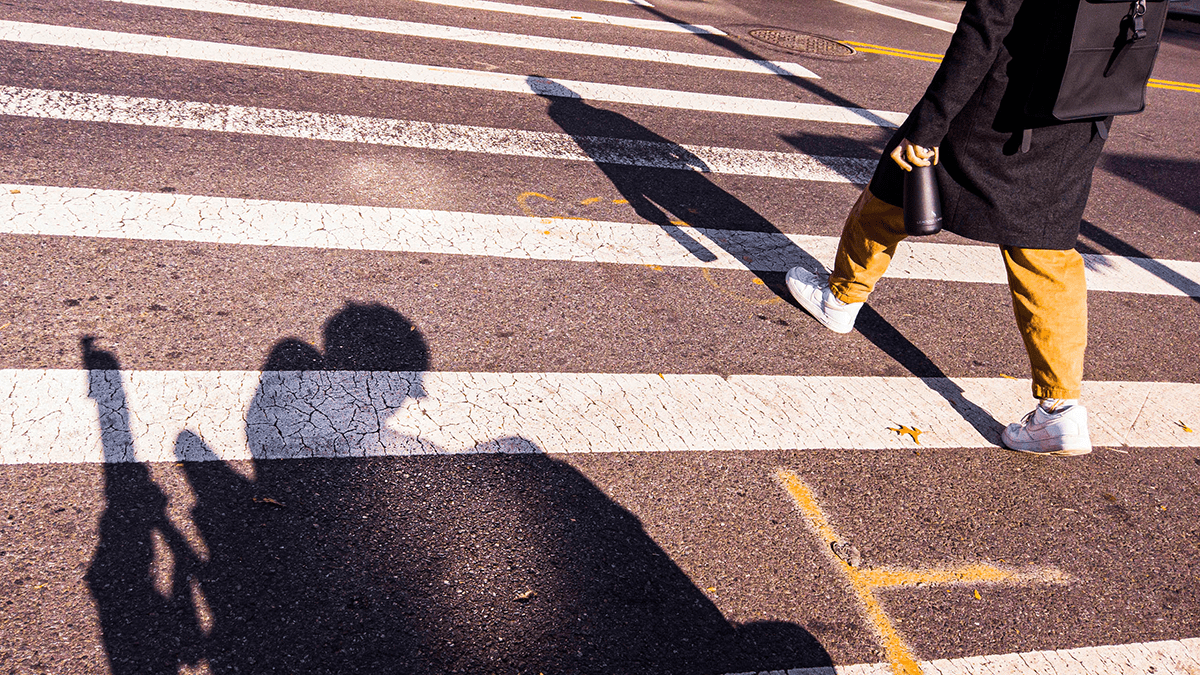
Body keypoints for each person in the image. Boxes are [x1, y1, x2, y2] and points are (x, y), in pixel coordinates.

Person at [786, 0, 1105, 456]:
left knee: (898, 186)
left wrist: (928, 123)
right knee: (1045, 245)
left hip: (1001, 104)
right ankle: (1060, 411)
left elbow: (986, 25)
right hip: (1081, 111)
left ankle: (842, 298)